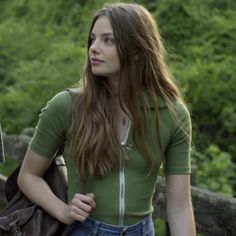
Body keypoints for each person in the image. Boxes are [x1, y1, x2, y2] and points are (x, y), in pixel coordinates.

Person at [18, 2, 196, 236]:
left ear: (136, 50)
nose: (94, 48)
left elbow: (180, 206)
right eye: (92, 39)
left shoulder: (173, 114)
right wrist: (62, 211)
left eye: (107, 40)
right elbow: (28, 175)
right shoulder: (67, 105)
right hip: (84, 229)